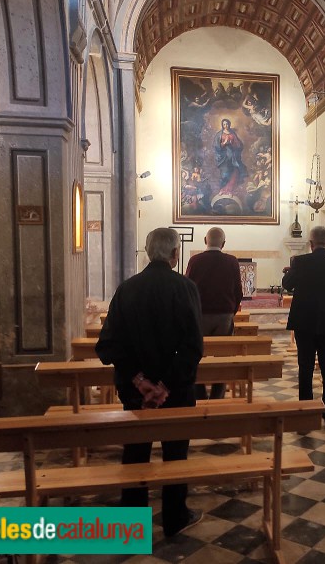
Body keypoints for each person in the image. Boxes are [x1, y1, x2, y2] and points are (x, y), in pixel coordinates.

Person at [96, 227, 204, 537]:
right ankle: (174, 516)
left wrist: (140, 380)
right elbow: (193, 346)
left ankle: (132, 521)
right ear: (175, 254)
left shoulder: (127, 289)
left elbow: (109, 345)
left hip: (134, 391)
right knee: (175, 453)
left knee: (135, 449)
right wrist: (166, 385)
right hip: (178, 390)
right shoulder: (185, 288)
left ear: (147, 252)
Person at [283, 226, 325, 428]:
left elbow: (287, 284)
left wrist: (291, 272)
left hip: (304, 320)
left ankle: (306, 412)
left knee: (306, 366)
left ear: (310, 244)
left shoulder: (300, 262)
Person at [185, 226, 243, 400]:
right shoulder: (231, 261)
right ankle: (218, 395)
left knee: (197, 354)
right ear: (223, 244)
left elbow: (188, 288)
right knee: (222, 356)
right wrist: (231, 311)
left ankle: (200, 393)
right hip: (224, 315)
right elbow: (238, 291)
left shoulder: (195, 260)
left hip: (200, 315)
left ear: (205, 240)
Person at [212, 118, 247, 195]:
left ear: (229, 124)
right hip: (224, 157)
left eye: (227, 124)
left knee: (234, 173)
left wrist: (232, 143)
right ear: (222, 125)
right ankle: (222, 189)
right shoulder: (219, 134)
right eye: (224, 124)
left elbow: (239, 145)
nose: (226, 126)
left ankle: (230, 190)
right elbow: (216, 146)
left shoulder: (232, 134)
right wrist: (224, 143)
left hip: (233, 157)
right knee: (224, 173)